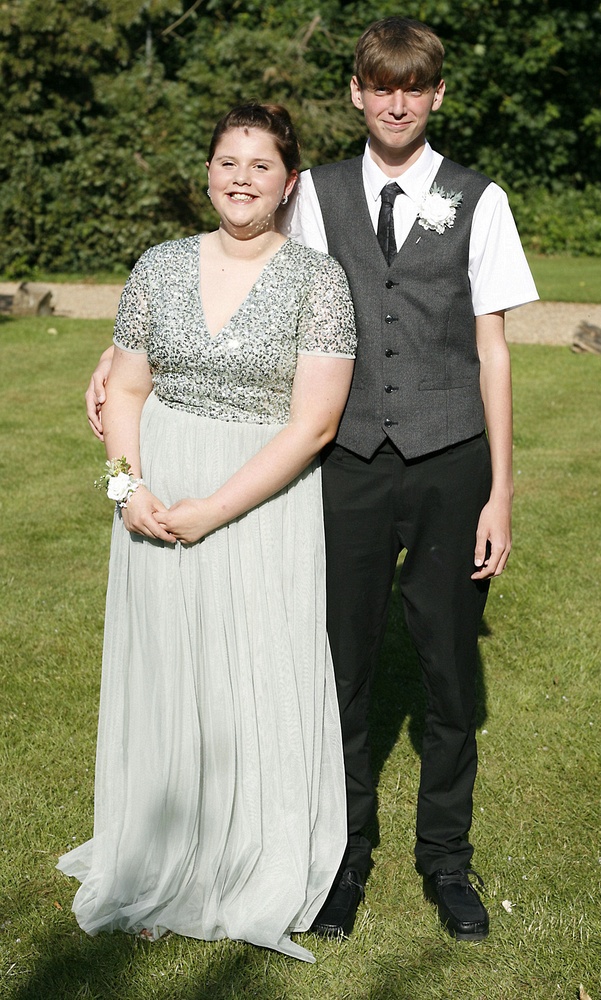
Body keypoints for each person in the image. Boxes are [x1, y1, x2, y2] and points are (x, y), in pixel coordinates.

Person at [87, 17, 539, 945]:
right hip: (349, 463)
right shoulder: (316, 192)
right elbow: (232, 268)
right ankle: (344, 859)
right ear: (357, 92)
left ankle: (445, 860)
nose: (397, 103)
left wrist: (499, 490)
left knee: (449, 671)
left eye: (413, 88)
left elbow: (492, 352)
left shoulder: (479, 199)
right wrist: (117, 355)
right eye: (381, 86)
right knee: (338, 666)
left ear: (436, 94)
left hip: (450, 456)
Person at [59, 103, 356, 964]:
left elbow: (312, 425)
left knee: (251, 673)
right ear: (208, 172)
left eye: (261, 165)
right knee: (169, 671)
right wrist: (127, 487)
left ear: (288, 182)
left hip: (260, 501)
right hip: (155, 493)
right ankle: (157, 856)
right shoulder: (157, 266)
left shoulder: (317, 282)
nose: (241, 178)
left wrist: (214, 509)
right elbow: (125, 390)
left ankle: (242, 864)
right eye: (228, 161)